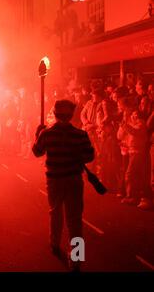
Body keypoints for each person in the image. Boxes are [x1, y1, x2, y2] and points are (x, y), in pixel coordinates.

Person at [32, 99, 95, 271]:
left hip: (54, 179)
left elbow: (37, 152)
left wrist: (37, 134)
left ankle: (54, 243)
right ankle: (76, 259)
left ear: (55, 113)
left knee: (55, 212)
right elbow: (90, 156)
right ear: (72, 114)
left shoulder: (47, 133)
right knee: (75, 219)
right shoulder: (81, 135)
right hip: (74, 180)